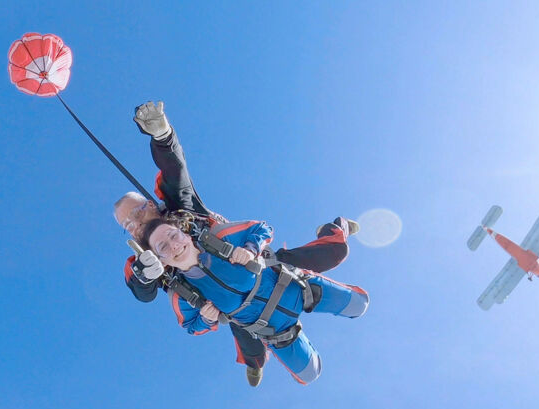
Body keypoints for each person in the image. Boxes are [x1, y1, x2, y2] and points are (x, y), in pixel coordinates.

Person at [114, 101, 357, 386]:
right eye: (128, 225)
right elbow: (140, 287)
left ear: (152, 204)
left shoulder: (181, 209)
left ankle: (334, 227)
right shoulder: (147, 257)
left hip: (259, 267)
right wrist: (145, 276)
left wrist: (163, 136)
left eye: (138, 212)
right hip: (231, 304)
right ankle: (254, 365)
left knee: (334, 253)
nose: (136, 223)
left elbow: (175, 172)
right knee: (250, 339)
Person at [140, 215, 369, 385]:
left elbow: (262, 227)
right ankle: (256, 359)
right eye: (163, 247)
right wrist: (206, 319)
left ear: (185, 234)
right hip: (274, 329)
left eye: (174, 235)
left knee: (359, 304)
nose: (174, 245)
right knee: (309, 373)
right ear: (161, 260)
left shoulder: (219, 239)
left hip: (296, 288)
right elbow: (191, 327)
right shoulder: (182, 293)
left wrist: (250, 249)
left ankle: (336, 227)